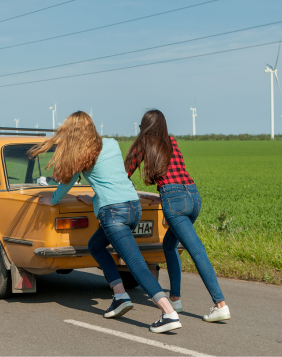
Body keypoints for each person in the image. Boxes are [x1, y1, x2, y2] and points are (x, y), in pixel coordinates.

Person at [30, 111, 182, 333]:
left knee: (135, 264)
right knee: (95, 245)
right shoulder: (111, 144)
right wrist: (93, 198)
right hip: (132, 206)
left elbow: (64, 186)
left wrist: (52, 200)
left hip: (113, 213)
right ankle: (120, 295)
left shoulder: (80, 156)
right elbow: (112, 178)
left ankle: (168, 312)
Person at [124, 109, 231, 323]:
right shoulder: (171, 141)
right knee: (169, 245)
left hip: (174, 200)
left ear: (145, 127)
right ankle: (175, 298)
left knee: (196, 250)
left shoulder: (143, 144)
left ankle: (220, 304)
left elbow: (125, 172)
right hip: (193, 196)